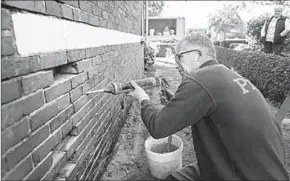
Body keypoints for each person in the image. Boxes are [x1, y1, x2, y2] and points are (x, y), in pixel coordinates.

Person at [129, 33, 289, 180]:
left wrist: (143, 98)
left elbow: (158, 127)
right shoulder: (227, 75)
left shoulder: (199, 79)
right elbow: (217, 109)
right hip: (254, 163)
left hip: (243, 173)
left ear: (198, 55)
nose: (177, 63)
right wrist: (178, 103)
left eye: (179, 57)